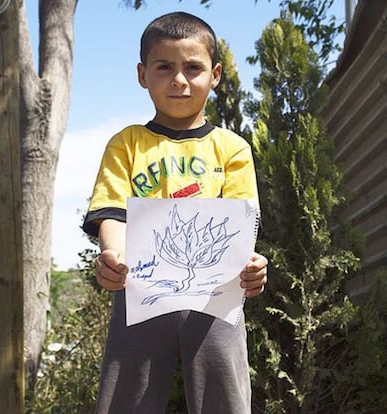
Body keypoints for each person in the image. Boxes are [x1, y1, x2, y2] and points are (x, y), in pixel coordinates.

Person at [82, 11, 268, 414]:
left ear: (215, 74)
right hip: (140, 292)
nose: (179, 80)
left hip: (217, 297)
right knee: (125, 400)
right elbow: (111, 212)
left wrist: (251, 265)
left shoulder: (233, 148)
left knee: (226, 399)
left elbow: (242, 224)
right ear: (142, 74)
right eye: (164, 67)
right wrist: (113, 257)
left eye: (193, 68)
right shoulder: (126, 144)